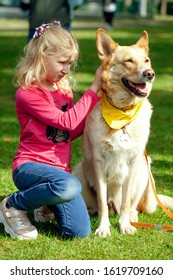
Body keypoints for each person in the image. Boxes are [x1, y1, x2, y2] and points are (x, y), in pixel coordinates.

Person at [0, 21, 102, 240]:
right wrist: (93, 90)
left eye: (71, 63)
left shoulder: (63, 90)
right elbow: (67, 122)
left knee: (79, 233)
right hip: (30, 167)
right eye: (62, 62)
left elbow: (67, 134)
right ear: (42, 57)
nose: (66, 69)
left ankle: (44, 201)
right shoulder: (27, 94)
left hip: (59, 173)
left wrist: (100, 120)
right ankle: (12, 204)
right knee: (70, 184)